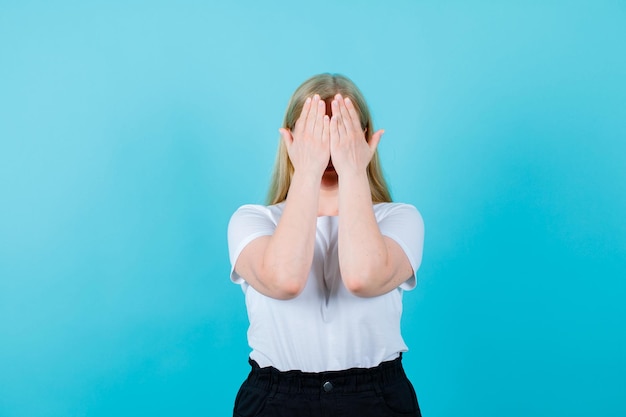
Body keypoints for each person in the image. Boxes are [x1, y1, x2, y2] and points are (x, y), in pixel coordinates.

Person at [227, 73, 424, 417]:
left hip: (376, 397)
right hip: (276, 399)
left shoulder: (400, 219)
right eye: (316, 132)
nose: (330, 148)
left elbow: (364, 277)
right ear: (290, 139)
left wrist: (352, 171)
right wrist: (307, 170)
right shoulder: (252, 220)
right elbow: (284, 280)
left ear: (364, 139)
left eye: (341, 133)